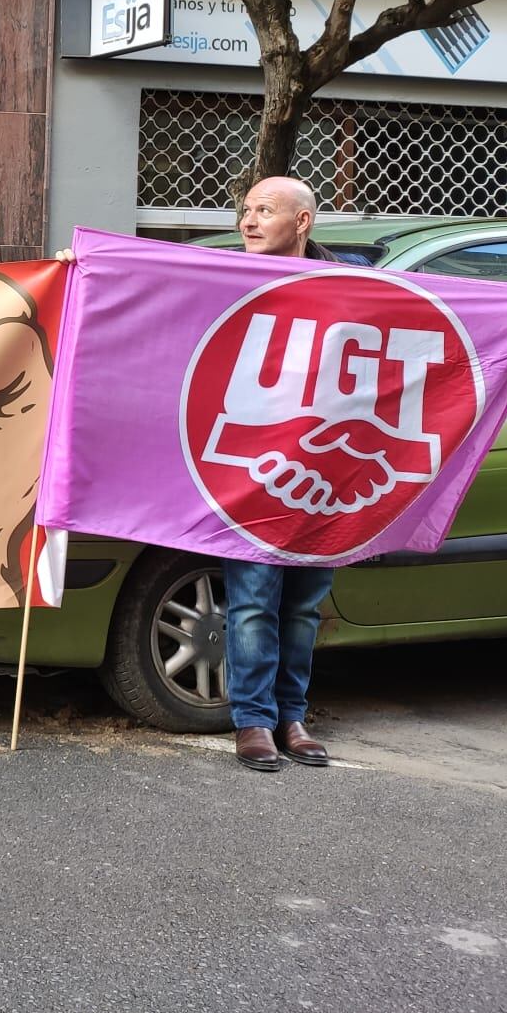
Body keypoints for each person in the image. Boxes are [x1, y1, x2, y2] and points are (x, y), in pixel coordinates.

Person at [223, 175, 344, 773]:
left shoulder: (353, 287)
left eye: (264, 211)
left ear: (302, 223)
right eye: (244, 210)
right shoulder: (219, 279)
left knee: (300, 604)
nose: (247, 221)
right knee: (250, 601)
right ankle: (252, 722)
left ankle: (292, 716)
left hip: (320, 478)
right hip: (246, 472)